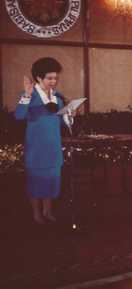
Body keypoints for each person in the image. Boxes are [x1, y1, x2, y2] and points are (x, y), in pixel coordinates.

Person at [14, 57, 72, 224]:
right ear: (39, 78)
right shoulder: (29, 95)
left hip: (53, 147)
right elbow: (19, 116)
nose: (53, 81)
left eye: (55, 78)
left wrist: (69, 114)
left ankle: (47, 211)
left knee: (51, 182)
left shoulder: (58, 98)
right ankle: (36, 213)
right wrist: (26, 94)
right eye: (49, 78)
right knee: (36, 183)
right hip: (36, 149)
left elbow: (61, 122)